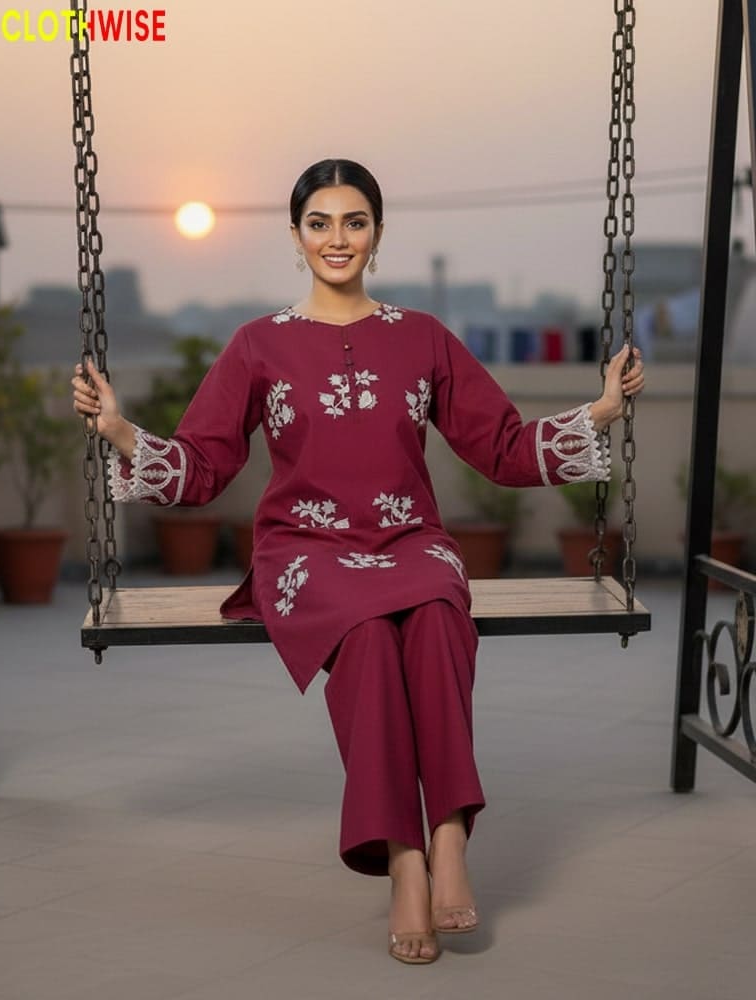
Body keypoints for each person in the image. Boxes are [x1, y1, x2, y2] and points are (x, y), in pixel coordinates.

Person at [72, 157, 645, 965]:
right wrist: (122, 432)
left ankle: (447, 837)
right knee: (372, 636)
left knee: (442, 618)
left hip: (411, 539)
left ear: (377, 235)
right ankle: (403, 860)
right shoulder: (257, 345)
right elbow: (203, 466)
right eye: (319, 223)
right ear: (296, 236)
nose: (336, 239)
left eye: (354, 222)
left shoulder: (423, 339)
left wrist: (603, 409)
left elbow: (502, 448)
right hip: (304, 550)